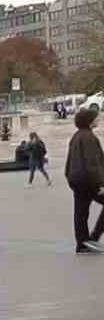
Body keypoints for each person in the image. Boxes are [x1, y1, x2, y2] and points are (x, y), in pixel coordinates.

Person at [65, 107, 104, 254]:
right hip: (88, 181)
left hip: (76, 180)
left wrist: (69, 176)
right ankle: (93, 238)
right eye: (96, 118)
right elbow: (92, 164)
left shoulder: (76, 136)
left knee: (80, 213)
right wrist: (101, 184)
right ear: (90, 121)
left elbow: (69, 162)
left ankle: (82, 244)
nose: (98, 119)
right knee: (81, 212)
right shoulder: (89, 138)